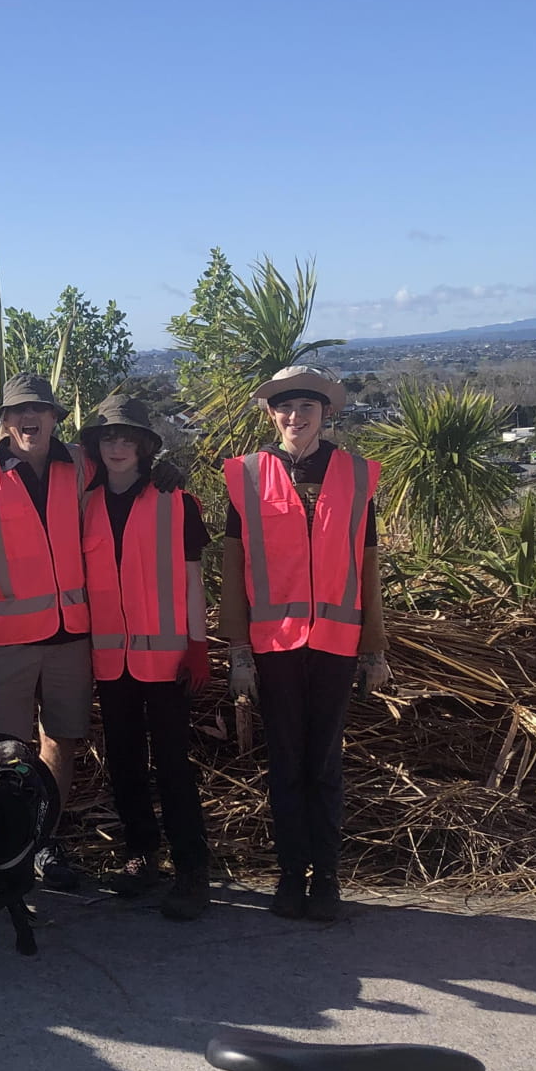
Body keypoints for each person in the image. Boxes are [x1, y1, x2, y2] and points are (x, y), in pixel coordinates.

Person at [220, 365, 388, 924]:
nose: (296, 418)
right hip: (274, 646)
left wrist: (376, 649)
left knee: (325, 764)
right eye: (285, 409)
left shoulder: (357, 476)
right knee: (286, 763)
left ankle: (328, 879)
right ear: (272, 415)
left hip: (337, 645)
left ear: (325, 414)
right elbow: (234, 568)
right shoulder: (245, 476)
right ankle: (291, 875)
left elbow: (368, 568)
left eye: (307, 409)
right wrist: (238, 651)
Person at [0, 372, 94, 888]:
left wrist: (162, 468)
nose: (29, 419)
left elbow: (128, 470)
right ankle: (2, 844)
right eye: (18, 412)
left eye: (39, 411)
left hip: (71, 633)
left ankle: (44, 841)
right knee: (1, 750)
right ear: (5, 422)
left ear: (54, 417)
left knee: (61, 743)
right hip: (7, 639)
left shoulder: (81, 467)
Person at [78, 394, 215, 920]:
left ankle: (191, 869)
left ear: (144, 447)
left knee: (175, 768)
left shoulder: (176, 500)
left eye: (127, 438)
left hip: (167, 660)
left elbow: (193, 579)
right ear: (97, 446)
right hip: (111, 661)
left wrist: (199, 645)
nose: (117, 447)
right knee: (125, 762)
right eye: (108, 437)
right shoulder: (83, 503)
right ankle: (141, 855)